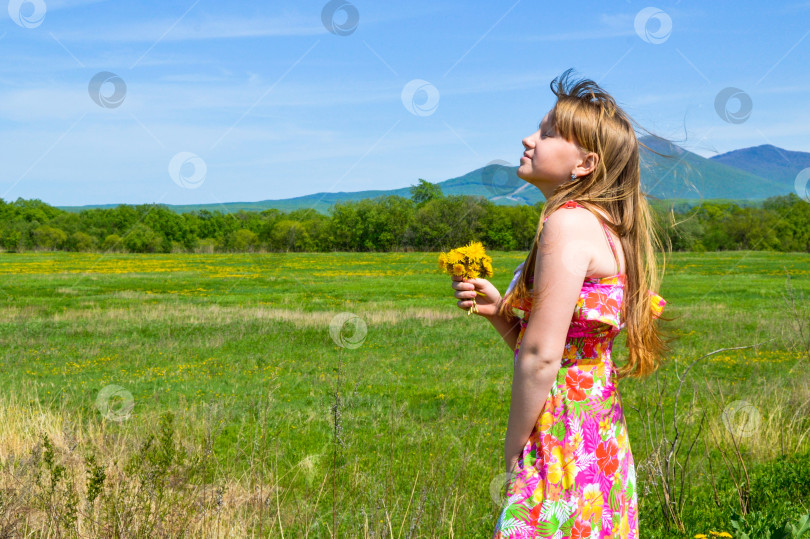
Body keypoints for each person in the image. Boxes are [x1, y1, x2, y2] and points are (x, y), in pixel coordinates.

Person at [450, 68, 672, 538]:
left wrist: (515, 450)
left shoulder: (566, 224)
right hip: (600, 441)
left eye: (548, 132)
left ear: (584, 164)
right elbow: (572, 352)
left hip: (562, 441)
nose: (528, 139)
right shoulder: (608, 227)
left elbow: (541, 356)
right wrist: (499, 314)